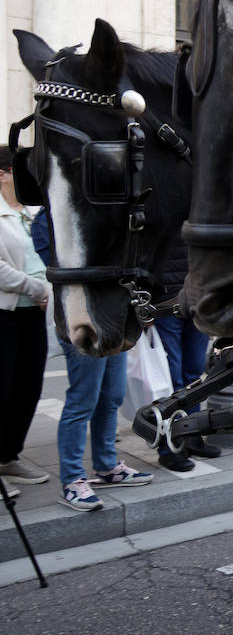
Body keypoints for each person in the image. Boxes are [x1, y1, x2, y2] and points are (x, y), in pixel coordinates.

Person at [31, 208, 152, 511]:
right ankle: (72, 480)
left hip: (114, 314)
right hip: (82, 316)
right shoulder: (50, 217)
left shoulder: (106, 214)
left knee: (111, 396)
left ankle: (107, 465)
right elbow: (59, 264)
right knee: (83, 398)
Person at [0, 146, 51, 497]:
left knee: (27, 388)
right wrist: (39, 287)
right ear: (3, 174)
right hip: (4, 315)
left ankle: (9, 456)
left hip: (34, 312)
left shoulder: (33, 212)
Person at [152, 233, 220, 470]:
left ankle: (193, 435)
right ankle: (169, 446)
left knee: (194, 377)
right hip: (165, 300)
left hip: (196, 297)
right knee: (172, 379)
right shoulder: (161, 204)